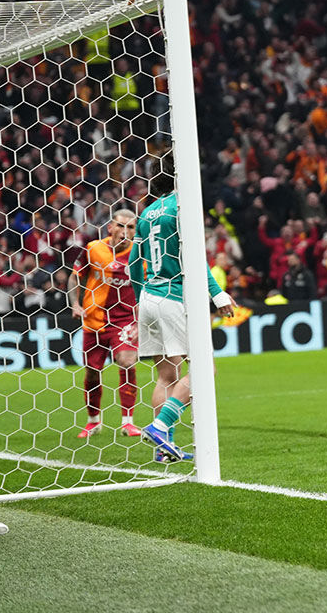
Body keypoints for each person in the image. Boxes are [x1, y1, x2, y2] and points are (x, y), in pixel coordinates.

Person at [129, 159, 237, 462]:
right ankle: (161, 426)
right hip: (173, 296)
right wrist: (217, 294)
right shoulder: (182, 206)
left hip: (149, 298)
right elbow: (195, 257)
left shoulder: (147, 213)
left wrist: (141, 299)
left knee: (167, 375)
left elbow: (134, 264)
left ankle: (164, 450)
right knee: (205, 369)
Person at [69, 209, 141, 439]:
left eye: (130, 227)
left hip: (124, 321)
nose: (125, 231)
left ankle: (128, 422)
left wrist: (141, 319)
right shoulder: (93, 248)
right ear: (110, 227)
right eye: (121, 226)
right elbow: (75, 277)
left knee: (127, 362)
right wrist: (75, 304)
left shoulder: (139, 255)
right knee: (92, 373)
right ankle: (93, 421)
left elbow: (147, 287)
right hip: (94, 321)